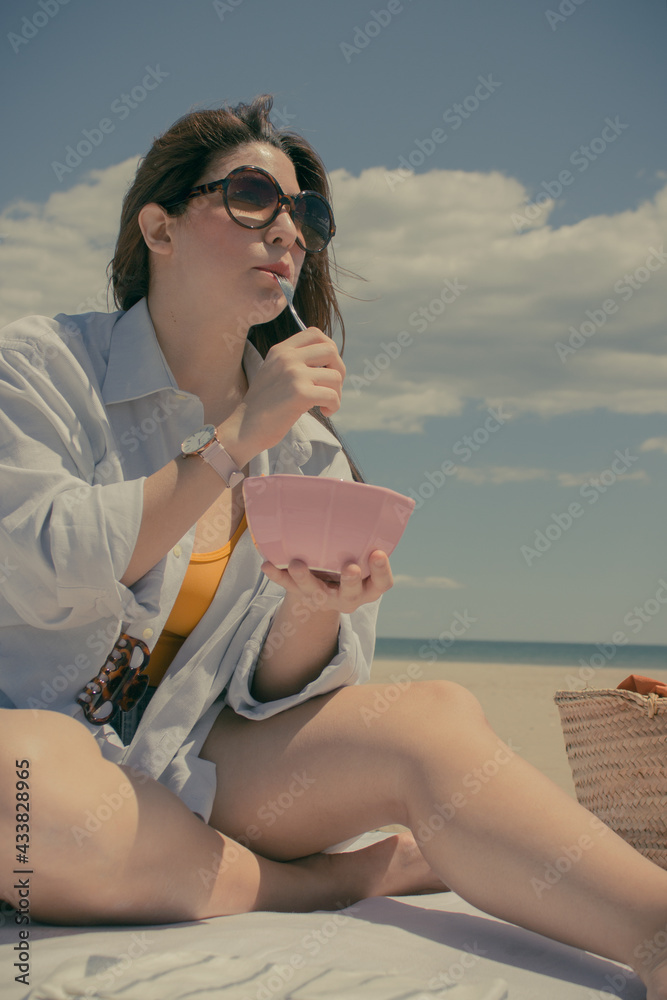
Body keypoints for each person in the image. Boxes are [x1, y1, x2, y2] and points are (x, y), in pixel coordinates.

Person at [0, 94, 666, 997]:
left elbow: (279, 699)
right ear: (157, 227)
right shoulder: (38, 367)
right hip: (34, 747)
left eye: (307, 216)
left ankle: (655, 934)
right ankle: (332, 881)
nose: (289, 232)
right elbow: (44, 563)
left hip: (194, 763)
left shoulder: (309, 446)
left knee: (430, 717)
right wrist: (232, 437)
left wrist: (313, 608)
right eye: (251, 198)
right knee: (26, 793)